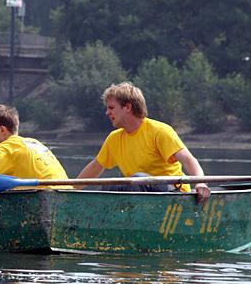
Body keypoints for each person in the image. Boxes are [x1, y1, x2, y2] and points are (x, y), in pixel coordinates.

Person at [76, 82, 211, 204]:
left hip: (173, 195)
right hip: (140, 193)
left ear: (127, 107)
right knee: (111, 185)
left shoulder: (159, 131)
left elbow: (189, 160)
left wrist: (200, 183)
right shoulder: (114, 139)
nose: (107, 113)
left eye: (111, 108)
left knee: (138, 179)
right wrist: (68, 189)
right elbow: (95, 168)